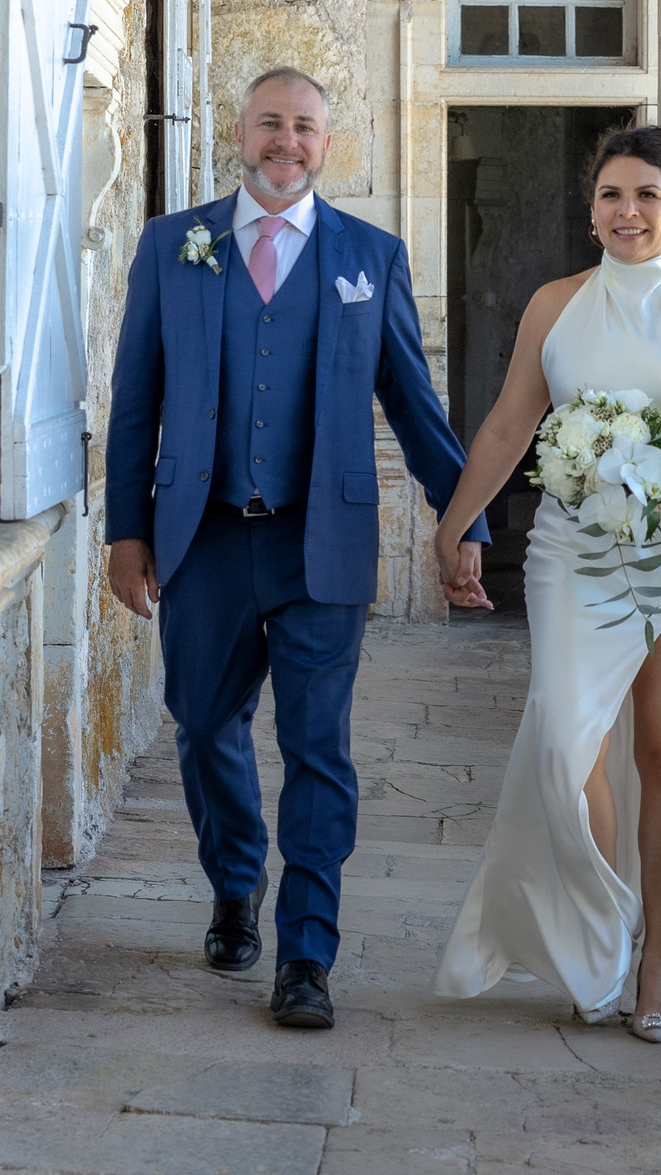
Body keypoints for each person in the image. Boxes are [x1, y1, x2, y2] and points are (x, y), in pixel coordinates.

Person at [104, 66, 488, 1032]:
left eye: (306, 127)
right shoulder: (171, 246)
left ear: (328, 141)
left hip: (320, 542)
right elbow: (134, 402)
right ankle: (235, 881)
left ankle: (306, 955)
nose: (288, 141)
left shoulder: (371, 256)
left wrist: (466, 518)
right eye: (271, 123)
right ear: (241, 132)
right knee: (201, 723)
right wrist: (125, 529)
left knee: (319, 748)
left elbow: (415, 405)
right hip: (204, 538)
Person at [427, 125, 661, 1042]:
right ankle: (602, 926)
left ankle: (658, 955)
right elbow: (512, 423)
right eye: (611, 197)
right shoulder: (557, 304)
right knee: (563, 746)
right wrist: (457, 520)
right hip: (571, 553)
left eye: (646, 197)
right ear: (591, 210)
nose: (627, 213)